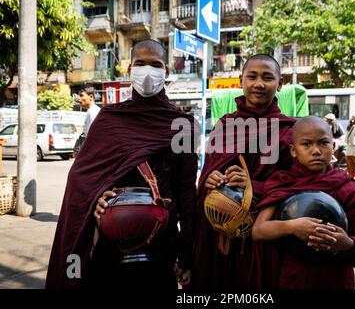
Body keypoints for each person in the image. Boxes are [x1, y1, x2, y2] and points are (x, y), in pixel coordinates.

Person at [46, 40, 198, 289]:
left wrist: (187, 252)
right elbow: (81, 181)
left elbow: (186, 191)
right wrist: (98, 199)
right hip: (111, 241)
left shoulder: (181, 125)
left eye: (155, 65)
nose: (147, 71)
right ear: (129, 71)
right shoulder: (109, 119)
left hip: (161, 243)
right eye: (140, 64)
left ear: (167, 72)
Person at [191, 54, 297, 289]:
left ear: (279, 84)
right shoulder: (225, 126)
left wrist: (254, 187)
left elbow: (299, 185)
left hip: (263, 236)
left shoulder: (289, 132)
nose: (259, 84)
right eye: (252, 77)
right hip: (219, 233)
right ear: (241, 81)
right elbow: (206, 176)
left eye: (267, 78)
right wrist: (210, 180)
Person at [252, 116, 355, 289]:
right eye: (306, 144)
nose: (316, 151)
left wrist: (347, 243)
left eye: (323, 143)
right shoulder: (282, 182)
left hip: (335, 279)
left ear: (333, 146)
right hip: (292, 278)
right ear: (293, 150)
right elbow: (258, 230)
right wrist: (293, 227)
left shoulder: (346, 186)